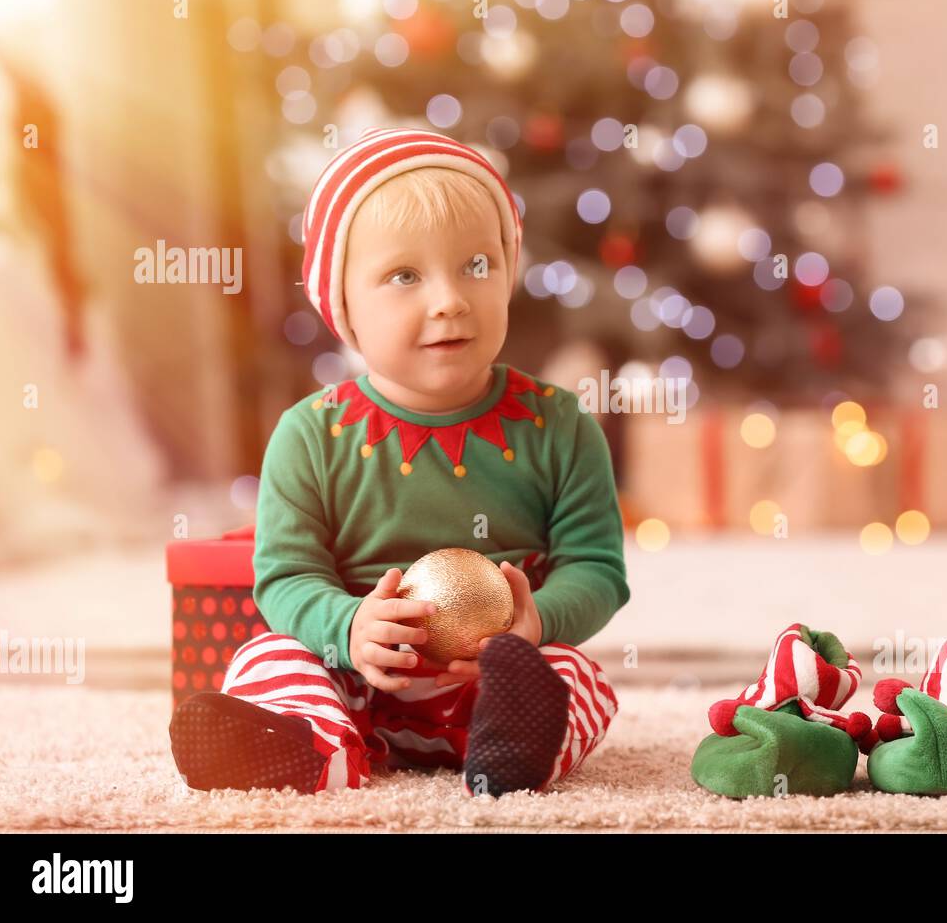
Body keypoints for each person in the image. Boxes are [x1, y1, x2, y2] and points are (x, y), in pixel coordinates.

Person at [169, 128, 629, 797]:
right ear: (343, 304)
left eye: (477, 266)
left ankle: (512, 751)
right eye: (404, 276)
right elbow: (286, 577)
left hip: (496, 682)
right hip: (353, 681)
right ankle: (310, 750)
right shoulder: (310, 435)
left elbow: (597, 568)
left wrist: (535, 623)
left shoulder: (561, 427)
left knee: (578, 675)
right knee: (265, 655)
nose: (448, 298)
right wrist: (348, 627)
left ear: (508, 271)